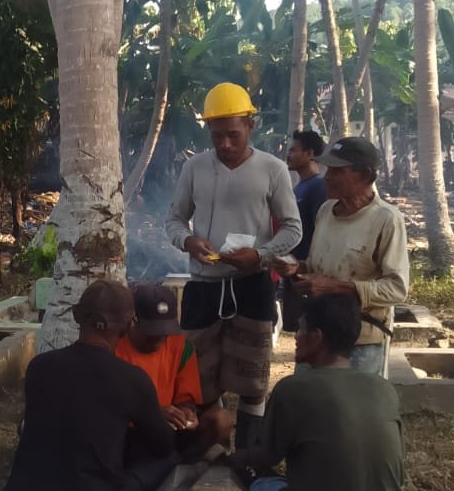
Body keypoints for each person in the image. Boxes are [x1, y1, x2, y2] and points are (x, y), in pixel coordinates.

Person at [166, 82, 302, 447]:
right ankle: (209, 450)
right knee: (198, 375)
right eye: (217, 135)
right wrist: (189, 241)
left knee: (252, 376)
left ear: (250, 126)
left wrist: (260, 255)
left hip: (251, 285)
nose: (225, 144)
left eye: (233, 135)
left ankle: (247, 456)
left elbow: (293, 228)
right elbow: (174, 221)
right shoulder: (194, 168)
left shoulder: (272, 169)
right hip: (203, 287)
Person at [224, 293, 406, 491]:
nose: (296, 336)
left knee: (260, 486)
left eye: (301, 329)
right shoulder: (384, 389)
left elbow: (264, 458)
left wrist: (229, 460)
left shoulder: (294, 389)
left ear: (317, 337)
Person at [1, 280, 178, 491]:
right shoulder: (132, 380)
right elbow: (163, 445)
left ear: (76, 316)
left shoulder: (39, 367)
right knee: (169, 457)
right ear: (129, 325)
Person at [278, 136, 409, 377]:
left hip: (360, 342)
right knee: (310, 406)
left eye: (338, 171)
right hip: (316, 337)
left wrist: (335, 287)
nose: (327, 177)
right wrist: (295, 267)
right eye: (328, 169)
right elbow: (318, 265)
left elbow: (397, 289)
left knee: (353, 411)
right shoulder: (326, 211)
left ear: (366, 176)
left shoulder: (387, 220)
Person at [115, 284, 234, 456]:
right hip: (129, 434)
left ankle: (185, 464)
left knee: (221, 420)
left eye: (165, 331)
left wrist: (186, 413)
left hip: (169, 431)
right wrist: (152, 415)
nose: (159, 339)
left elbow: (186, 399)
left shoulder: (181, 347)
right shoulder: (115, 347)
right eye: (153, 331)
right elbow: (107, 409)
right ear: (134, 320)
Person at [278, 131, 327, 332]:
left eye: (293, 150)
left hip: (308, 269)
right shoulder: (298, 188)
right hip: (294, 267)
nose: (288, 155)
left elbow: (321, 229)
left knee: (312, 327)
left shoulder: (318, 187)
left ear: (309, 154)